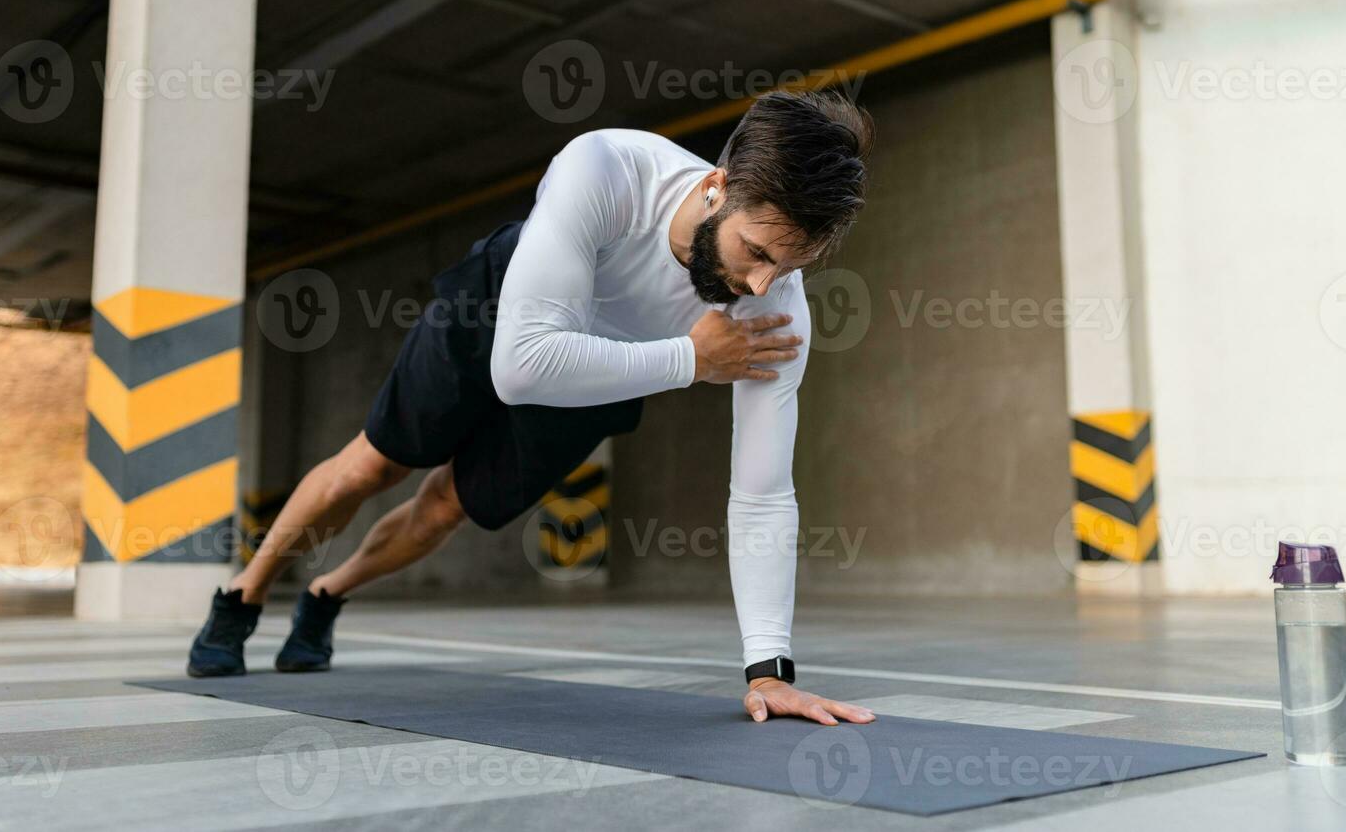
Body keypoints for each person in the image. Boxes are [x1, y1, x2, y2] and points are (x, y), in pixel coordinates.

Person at [188, 89, 877, 727]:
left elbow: (761, 494)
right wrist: (691, 360)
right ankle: (243, 599)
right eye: (755, 251)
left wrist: (769, 670)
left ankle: (325, 597)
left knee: (446, 507)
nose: (761, 283)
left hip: (612, 368)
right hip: (504, 313)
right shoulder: (608, 167)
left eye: (788, 268)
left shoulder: (778, 309)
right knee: (372, 467)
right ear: (715, 186)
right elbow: (521, 367)